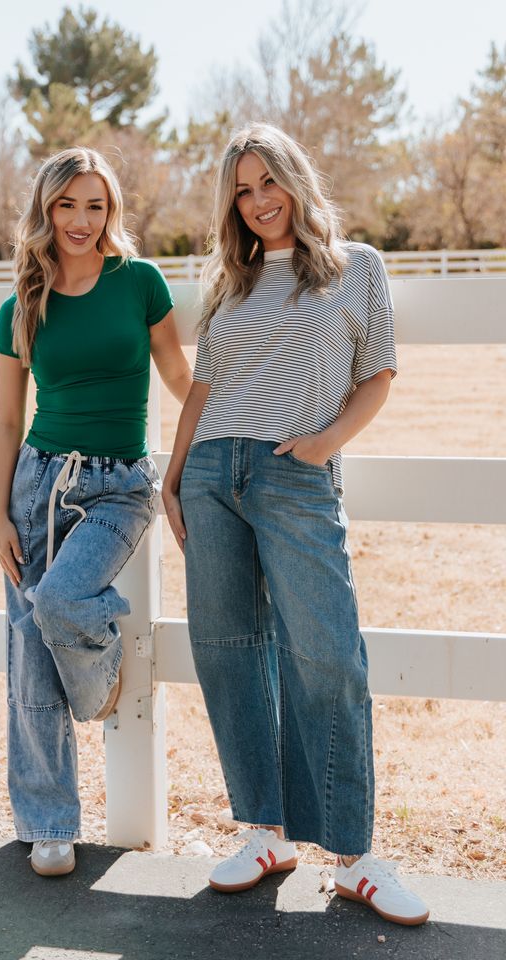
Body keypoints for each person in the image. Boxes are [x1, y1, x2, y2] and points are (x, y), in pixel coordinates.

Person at [162, 123, 429, 926]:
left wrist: (320, 446)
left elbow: (377, 376)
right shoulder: (231, 283)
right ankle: (264, 832)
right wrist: (175, 476)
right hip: (213, 476)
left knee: (327, 653)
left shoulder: (358, 269)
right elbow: (205, 388)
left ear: (296, 179)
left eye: (268, 181)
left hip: (294, 475)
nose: (258, 200)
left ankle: (351, 857)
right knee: (229, 653)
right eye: (242, 190)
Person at [0, 146, 191, 877]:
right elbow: (8, 419)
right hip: (37, 481)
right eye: (67, 204)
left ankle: (101, 677)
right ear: (46, 209)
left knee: (63, 602)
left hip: (119, 486)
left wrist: (210, 439)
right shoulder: (23, 303)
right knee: (27, 657)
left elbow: (176, 373)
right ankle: (49, 823)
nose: (80, 220)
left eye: (95, 205)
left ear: (112, 212)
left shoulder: (138, 282)